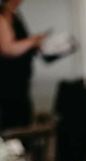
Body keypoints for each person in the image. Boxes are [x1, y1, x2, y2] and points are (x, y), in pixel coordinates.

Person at [0, 0, 46, 130]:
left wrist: (34, 45)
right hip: (9, 81)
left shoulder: (15, 14)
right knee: (13, 120)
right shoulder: (3, 16)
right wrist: (33, 41)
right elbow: (7, 48)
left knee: (23, 117)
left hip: (20, 79)